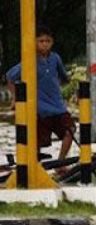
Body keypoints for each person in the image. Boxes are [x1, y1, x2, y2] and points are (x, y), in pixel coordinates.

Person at [6, 25, 74, 172]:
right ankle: (33, 169)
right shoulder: (30, 60)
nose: (44, 44)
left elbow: (64, 77)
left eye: (47, 41)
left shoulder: (55, 59)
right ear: (35, 42)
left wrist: (73, 84)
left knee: (70, 131)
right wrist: (14, 98)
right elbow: (10, 77)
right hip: (39, 110)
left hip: (58, 106)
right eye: (41, 41)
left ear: (52, 42)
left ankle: (61, 163)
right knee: (36, 142)